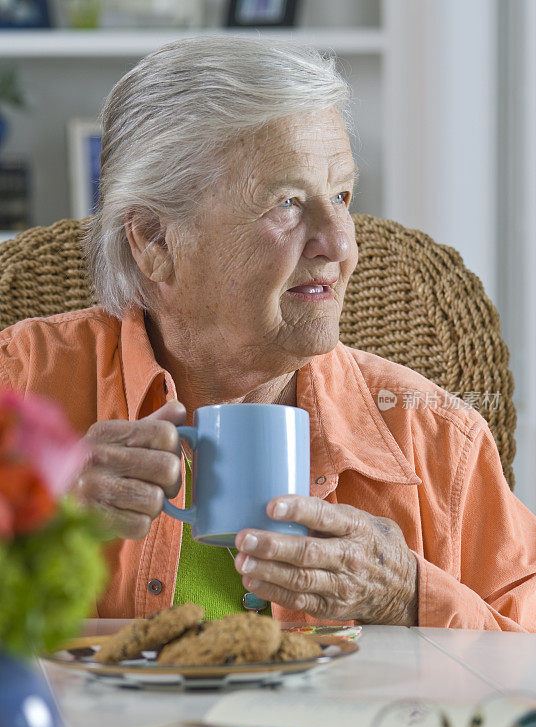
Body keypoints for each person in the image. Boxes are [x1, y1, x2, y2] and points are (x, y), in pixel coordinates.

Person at [1, 37, 535, 630]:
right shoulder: (21, 384)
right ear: (154, 239)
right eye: (286, 203)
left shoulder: (432, 436)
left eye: (340, 196)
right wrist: (33, 520)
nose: (341, 245)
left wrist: (411, 597)